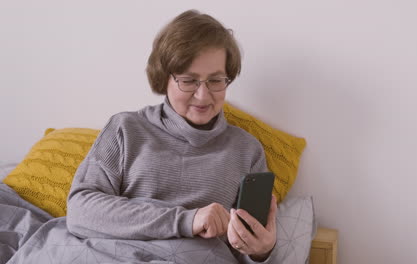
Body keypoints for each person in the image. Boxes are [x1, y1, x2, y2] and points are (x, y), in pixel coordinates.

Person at [67, 9, 278, 263]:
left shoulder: (246, 150)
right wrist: (188, 220)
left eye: (215, 80)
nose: (203, 95)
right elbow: (81, 212)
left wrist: (261, 250)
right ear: (164, 78)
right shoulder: (126, 128)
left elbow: (249, 246)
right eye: (189, 81)